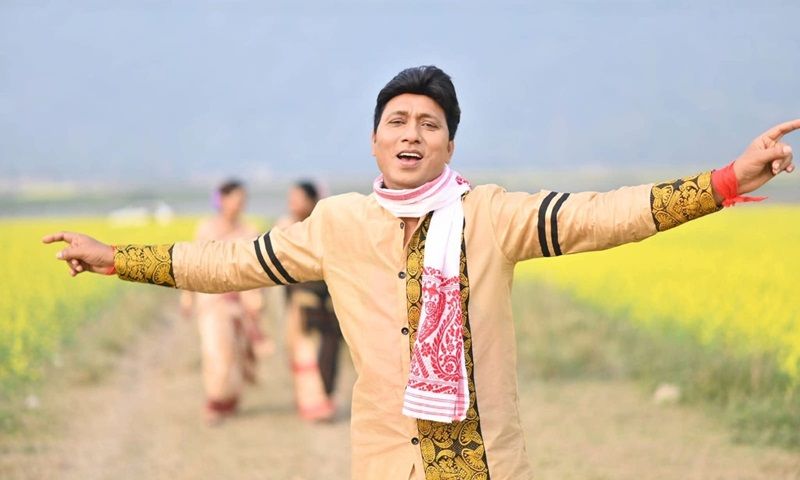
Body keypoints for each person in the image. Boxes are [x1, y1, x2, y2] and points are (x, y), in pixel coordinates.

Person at [43, 66, 797, 479]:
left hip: (485, 464)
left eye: (429, 124)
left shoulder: (491, 214)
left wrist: (726, 181)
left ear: (448, 145)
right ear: (375, 141)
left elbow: (605, 214)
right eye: (397, 122)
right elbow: (231, 261)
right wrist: (118, 259)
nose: (412, 134)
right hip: (384, 462)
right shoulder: (338, 224)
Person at [178, 179, 271, 425]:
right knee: (216, 351)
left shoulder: (249, 231)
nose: (240, 204)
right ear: (222, 200)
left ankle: (230, 398)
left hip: (241, 302)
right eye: (236, 199)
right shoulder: (206, 229)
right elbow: (192, 264)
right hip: (212, 300)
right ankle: (215, 401)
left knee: (236, 352)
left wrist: (257, 300)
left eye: (243, 200)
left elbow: (257, 270)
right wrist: (187, 296)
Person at [275, 181, 343, 422]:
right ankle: (311, 403)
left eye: (298, 198)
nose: (292, 203)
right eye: (291, 198)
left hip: (330, 301)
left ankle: (325, 399)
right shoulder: (285, 228)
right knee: (304, 352)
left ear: (312, 200)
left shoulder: (327, 227)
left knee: (329, 351)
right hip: (301, 301)